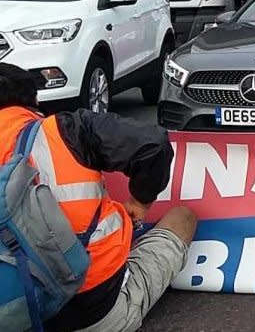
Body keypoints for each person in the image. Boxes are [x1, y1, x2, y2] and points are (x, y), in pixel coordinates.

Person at [0, 63, 196, 332]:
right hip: (94, 312)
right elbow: (153, 144)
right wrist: (140, 202)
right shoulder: (67, 129)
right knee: (183, 218)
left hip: (12, 314)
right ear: (34, 101)